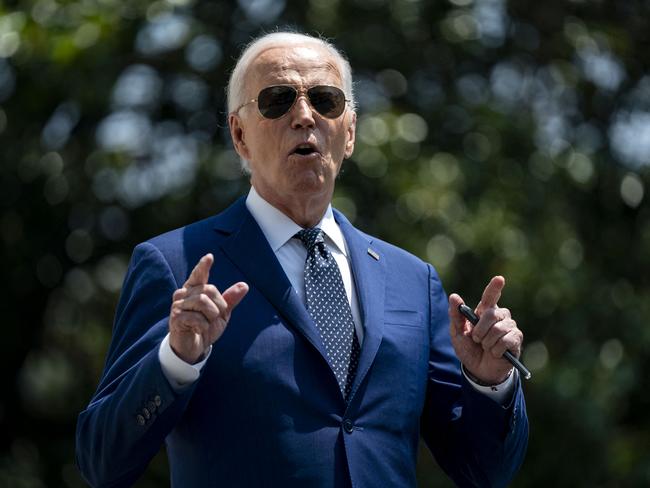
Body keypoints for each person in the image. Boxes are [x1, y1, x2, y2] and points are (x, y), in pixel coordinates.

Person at [76, 31, 528, 487]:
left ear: (349, 133)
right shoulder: (176, 265)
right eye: (277, 100)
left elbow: (484, 470)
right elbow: (102, 462)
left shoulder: (412, 279)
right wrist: (175, 361)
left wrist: (489, 381)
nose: (304, 115)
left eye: (326, 100)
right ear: (239, 134)